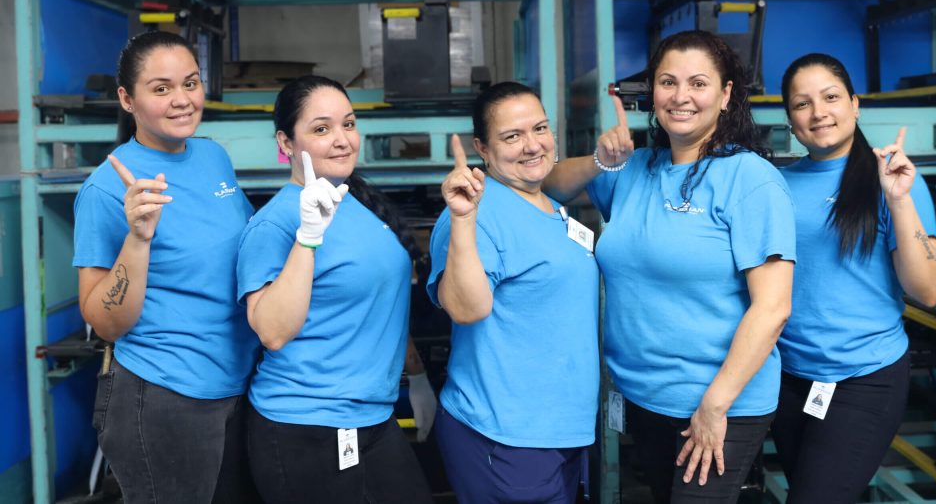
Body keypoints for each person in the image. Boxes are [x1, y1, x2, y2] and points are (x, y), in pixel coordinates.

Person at [545, 29, 795, 504]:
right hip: (644, 398)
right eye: (668, 82)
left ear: (725, 96)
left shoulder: (749, 178)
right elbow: (550, 185)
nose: (681, 97)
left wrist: (714, 406)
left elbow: (774, 307)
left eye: (698, 84)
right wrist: (600, 160)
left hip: (719, 401)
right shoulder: (636, 169)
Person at [73, 31, 258, 503]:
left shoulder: (213, 155)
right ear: (127, 99)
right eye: (161, 89)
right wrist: (138, 238)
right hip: (165, 395)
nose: (182, 101)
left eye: (190, 83)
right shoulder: (107, 190)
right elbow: (103, 319)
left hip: (236, 382)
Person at [236, 75, 434, 504]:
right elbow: (271, 330)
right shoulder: (276, 224)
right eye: (321, 129)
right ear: (286, 143)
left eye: (348, 124)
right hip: (308, 427)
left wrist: (416, 375)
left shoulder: (357, 204)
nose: (342, 139)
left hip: (373, 418)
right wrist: (307, 238)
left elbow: (377, 302)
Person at [772, 53, 936, 503]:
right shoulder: (773, 184)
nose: (819, 112)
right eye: (802, 104)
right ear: (791, 121)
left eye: (831, 97)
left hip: (864, 378)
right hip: (788, 378)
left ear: (855, 104)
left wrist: (899, 200)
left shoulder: (892, 179)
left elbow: (929, 290)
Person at [428, 81, 600, 503]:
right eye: (512, 136)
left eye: (540, 129)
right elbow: (466, 308)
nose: (532, 145)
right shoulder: (474, 213)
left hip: (561, 429)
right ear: (482, 149)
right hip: (504, 435)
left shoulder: (549, 205)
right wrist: (463, 220)